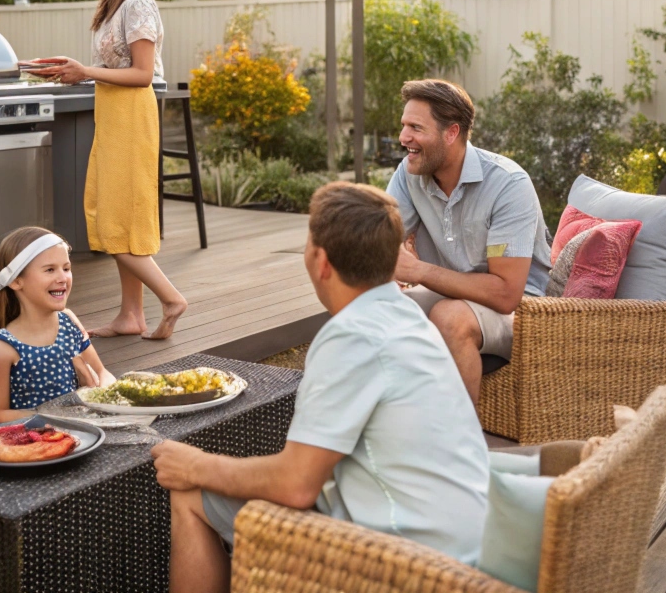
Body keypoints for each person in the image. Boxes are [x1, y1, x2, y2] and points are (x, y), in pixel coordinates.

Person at [149, 182, 490, 593]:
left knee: (190, 493)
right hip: (462, 545)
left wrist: (194, 465)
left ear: (321, 261)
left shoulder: (351, 335)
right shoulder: (409, 315)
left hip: (406, 560)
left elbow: (295, 485)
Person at [22, 0, 188, 339]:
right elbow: (112, 69)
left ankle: (171, 299)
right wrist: (69, 68)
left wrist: (84, 72)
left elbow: (144, 74)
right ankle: (131, 316)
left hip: (131, 117)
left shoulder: (138, 4)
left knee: (116, 222)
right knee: (116, 215)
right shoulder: (119, 2)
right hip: (114, 115)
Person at [386, 78, 552, 404]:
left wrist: (418, 271)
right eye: (404, 125)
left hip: (523, 310)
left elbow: (505, 294)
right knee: (375, 311)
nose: (404, 137)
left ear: (451, 133)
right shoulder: (409, 174)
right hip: (446, 292)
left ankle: (460, 448)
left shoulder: (507, 185)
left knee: (450, 317)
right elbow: (381, 242)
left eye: (416, 128)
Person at [0, 226, 116, 423]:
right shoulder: (2, 348)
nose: (62, 278)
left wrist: (106, 392)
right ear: (16, 281)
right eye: (50, 270)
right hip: (35, 443)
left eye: (66, 268)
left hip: (81, 430)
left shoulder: (69, 325)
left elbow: (102, 372)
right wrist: (57, 416)